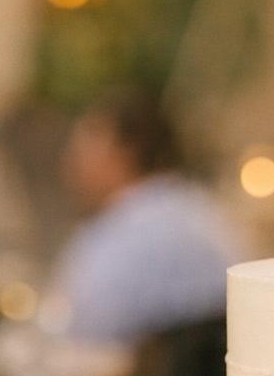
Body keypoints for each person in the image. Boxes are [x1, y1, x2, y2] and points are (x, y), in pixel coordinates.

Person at [46, 93, 244, 345]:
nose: (71, 162)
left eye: (85, 145)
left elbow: (82, 334)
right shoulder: (203, 209)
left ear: (126, 151)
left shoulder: (120, 237)